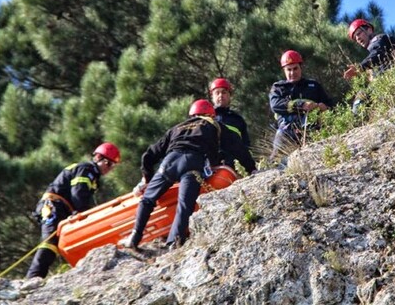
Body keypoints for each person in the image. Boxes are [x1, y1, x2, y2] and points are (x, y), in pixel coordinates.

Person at [120, 99, 254, 250]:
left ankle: (134, 237)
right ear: (211, 115)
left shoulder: (177, 128)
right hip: (193, 162)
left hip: (169, 163)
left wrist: (147, 179)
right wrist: (251, 169)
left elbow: (149, 155)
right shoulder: (214, 125)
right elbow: (238, 147)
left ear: (191, 115)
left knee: (147, 200)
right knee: (184, 205)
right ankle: (173, 243)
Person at [26, 142, 121, 279]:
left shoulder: (91, 175)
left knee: (55, 245)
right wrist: (82, 214)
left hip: (61, 208)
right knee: (49, 243)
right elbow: (79, 192)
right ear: (101, 159)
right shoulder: (86, 169)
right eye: (110, 165)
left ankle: (36, 277)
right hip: (53, 206)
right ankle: (32, 279)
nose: (110, 169)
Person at [269, 50, 335, 159]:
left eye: (295, 68)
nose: (292, 73)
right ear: (284, 70)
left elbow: (330, 105)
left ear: (301, 67)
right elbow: (275, 105)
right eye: (288, 70)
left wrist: (324, 107)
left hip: (312, 127)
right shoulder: (278, 88)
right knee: (277, 158)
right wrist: (301, 105)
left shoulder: (313, 86)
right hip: (287, 129)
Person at [343, 19, 395, 112]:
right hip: (391, 85)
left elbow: (378, 53)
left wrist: (360, 68)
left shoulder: (378, 39)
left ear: (369, 30)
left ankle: (356, 120)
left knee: (360, 99)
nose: (357, 38)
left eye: (358, 33)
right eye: (355, 38)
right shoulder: (377, 47)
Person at [209, 77, 254, 172]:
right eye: (217, 93)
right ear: (212, 96)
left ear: (230, 95)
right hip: (211, 165)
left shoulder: (238, 120)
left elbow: (246, 146)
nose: (221, 95)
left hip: (233, 166)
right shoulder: (206, 118)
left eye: (224, 92)